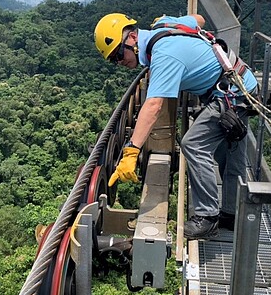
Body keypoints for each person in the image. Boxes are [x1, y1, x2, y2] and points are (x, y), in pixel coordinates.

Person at [93, 13, 258, 239]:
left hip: (230, 96)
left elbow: (153, 106)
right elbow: (198, 19)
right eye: (114, 60)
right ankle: (232, 212)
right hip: (241, 84)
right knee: (228, 154)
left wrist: (131, 151)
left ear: (132, 37)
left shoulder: (163, 55)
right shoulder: (165, 26)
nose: (120, 62)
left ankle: (208, 218)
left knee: (193, 145)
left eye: (119, 54)